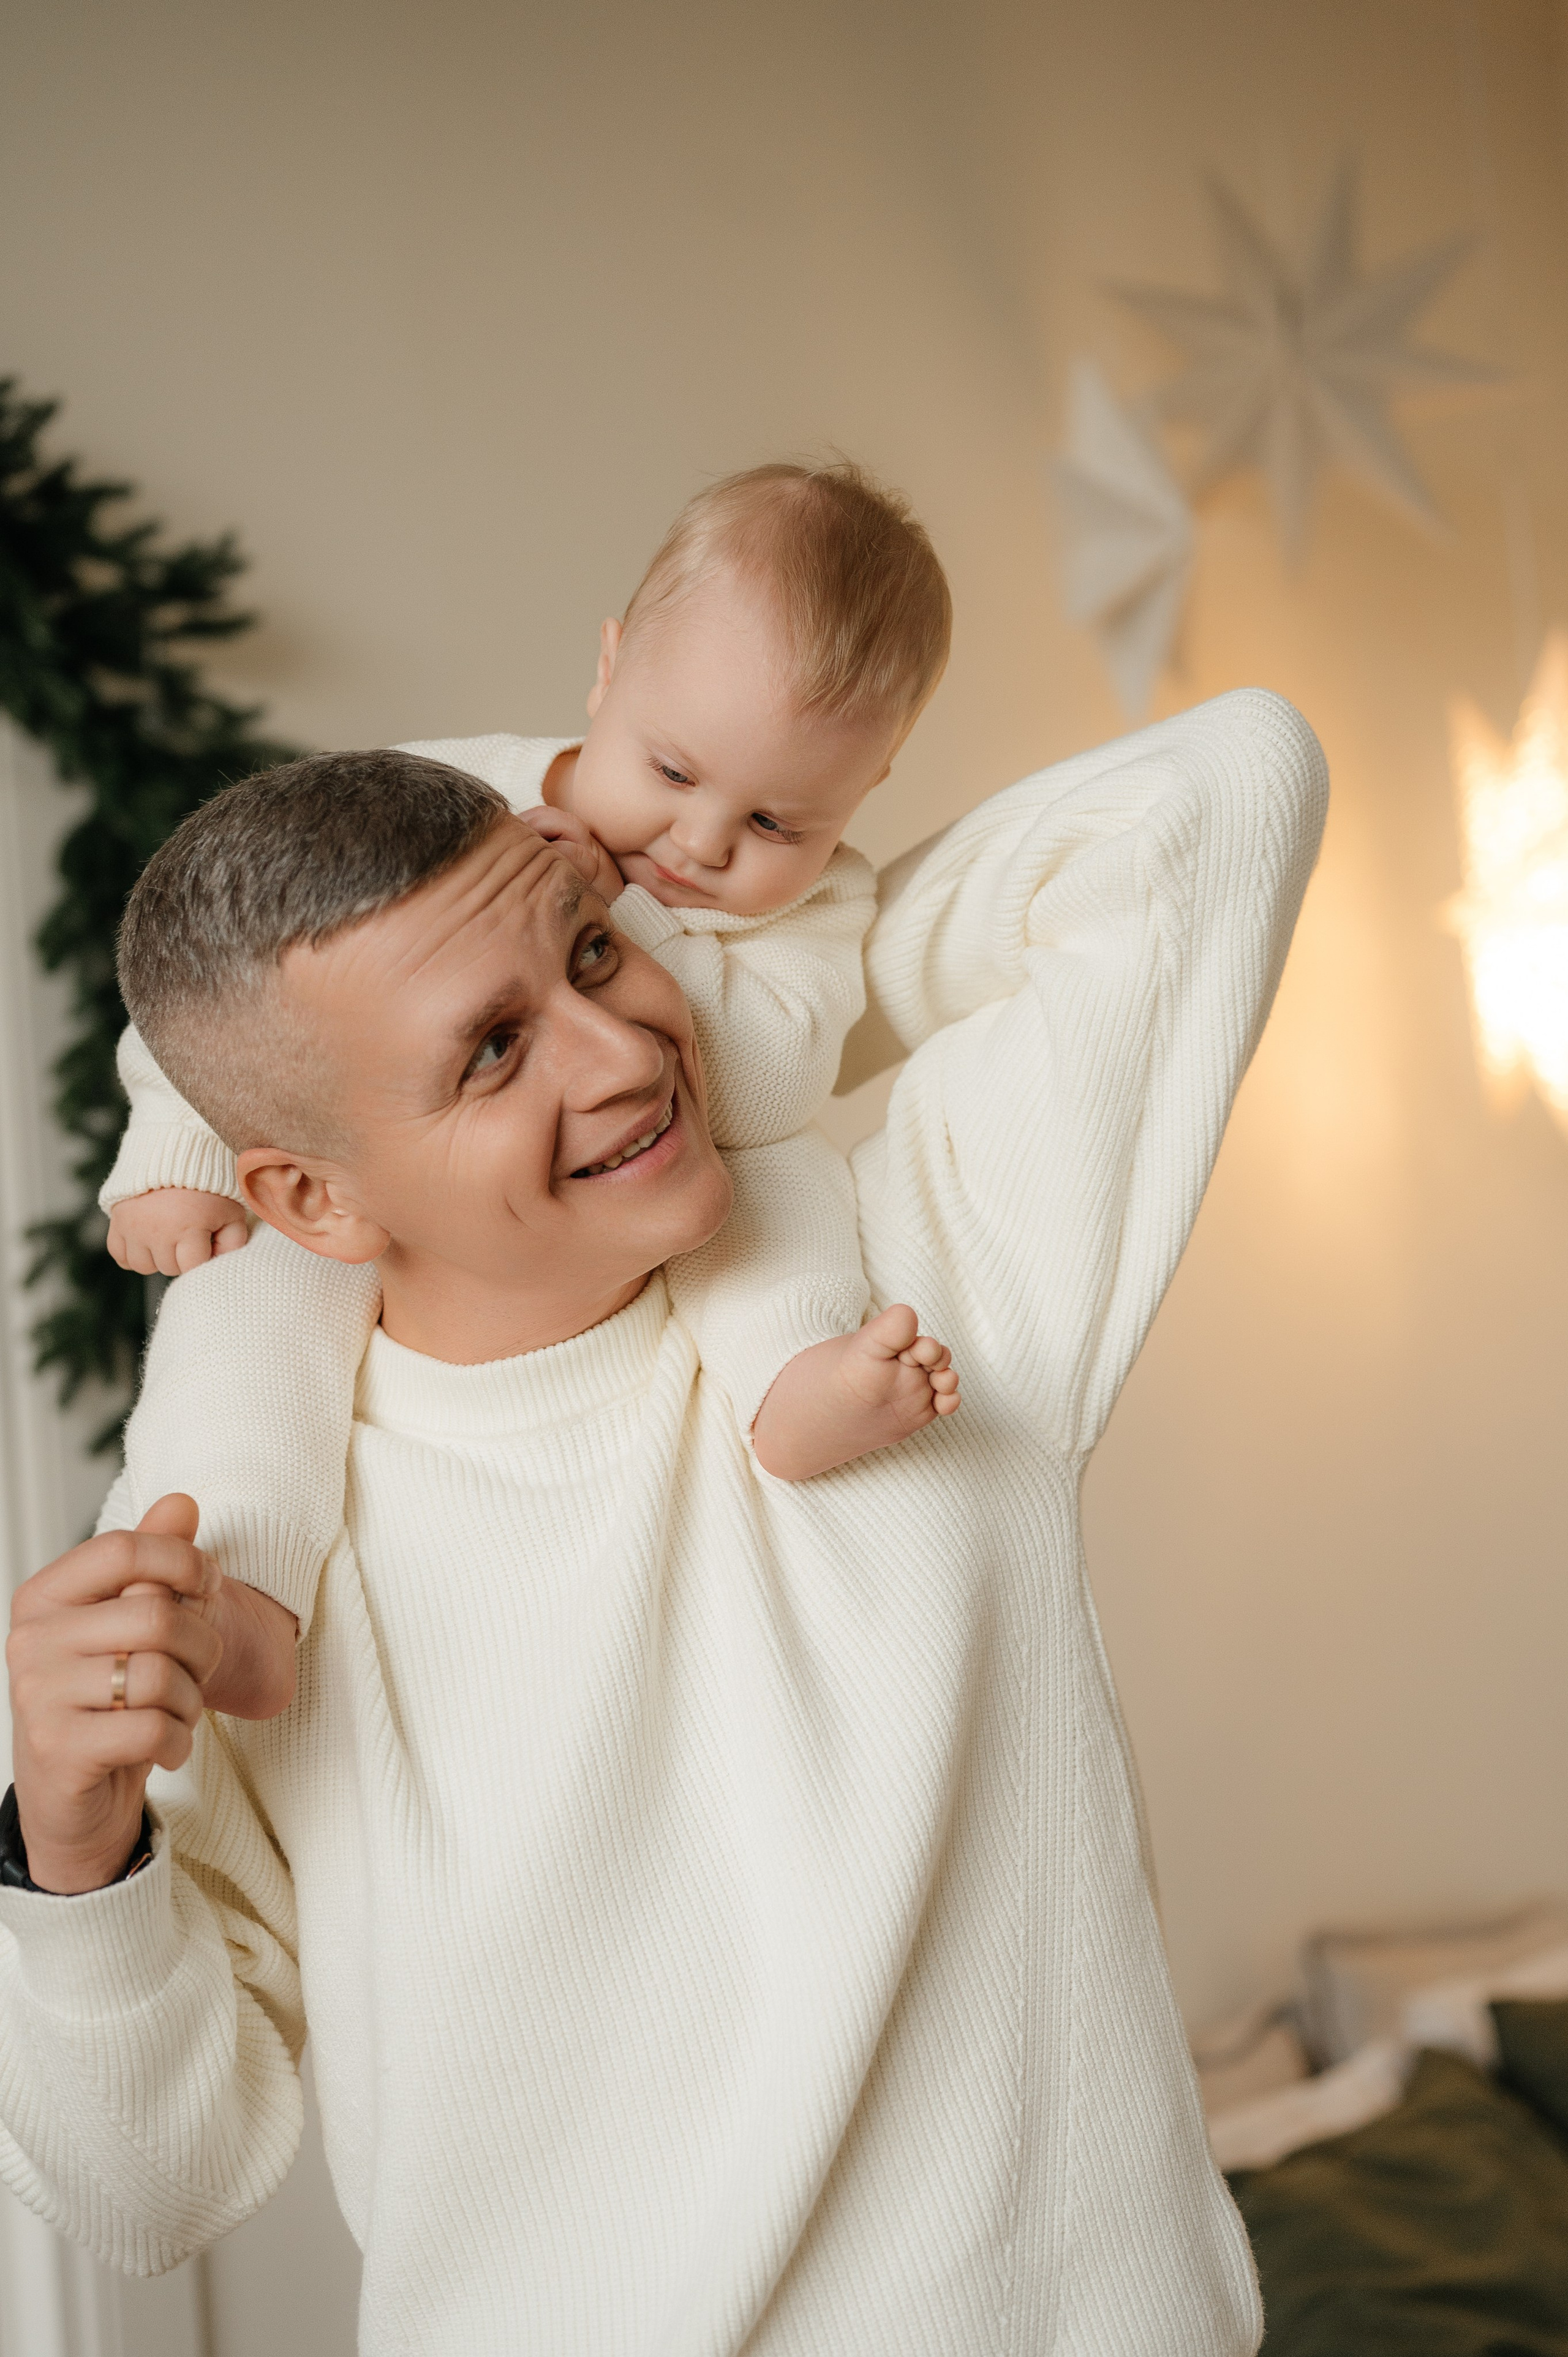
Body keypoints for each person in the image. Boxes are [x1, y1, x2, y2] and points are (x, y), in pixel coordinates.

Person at [0, 688, 1327, 2355]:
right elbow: (148, 2198)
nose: (626, 1053)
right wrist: (72, 1841)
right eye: (491, 1048)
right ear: (310, 1202)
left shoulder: (910, 1301)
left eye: (598, 952)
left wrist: (597, 812)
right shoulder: (239, 1567)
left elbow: (1219, 793)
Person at [97, 462, 960, 1720]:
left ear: (862, 795)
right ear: (606, 672)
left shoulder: (822, 906)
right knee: (244, 1301)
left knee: (781, 1195)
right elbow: (250, 1000)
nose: (703, 845)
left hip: (692, 1158)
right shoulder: (461, 796)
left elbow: (768, 1082)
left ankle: (793, 1383)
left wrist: (629, 925)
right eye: (670, 774)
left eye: (778, 822)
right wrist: (170, 1152)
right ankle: (243, 1599)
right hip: (409, 1201)